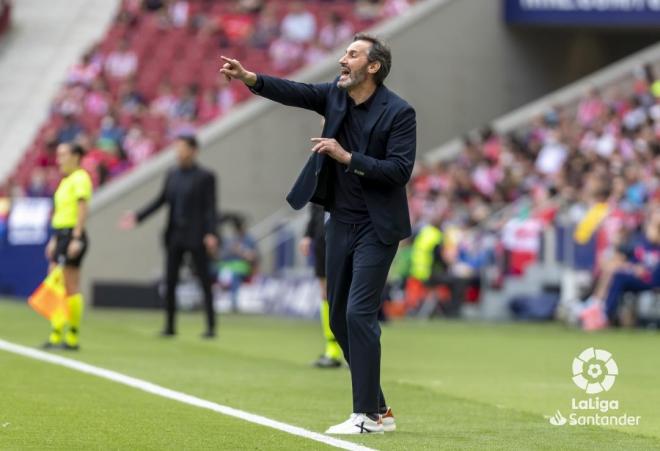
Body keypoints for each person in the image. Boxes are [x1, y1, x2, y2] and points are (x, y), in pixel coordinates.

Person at [220, 33, 416, 434]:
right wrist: (250, 78)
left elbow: (400, 170)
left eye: (353, 54)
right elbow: (296, 92)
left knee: (359, 314)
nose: (343, 59)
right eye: (345, 52)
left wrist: (347, 157)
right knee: (340, 322)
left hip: (377, 227)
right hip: (339, 222)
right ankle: (379, 408)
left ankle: (365, 417)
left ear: (373, 67)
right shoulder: (335, 95)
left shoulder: (399, 112)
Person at [119, 135, 219, 338]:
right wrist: (138, 216)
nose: (178, 152)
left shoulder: (206, 177)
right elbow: (161, 201)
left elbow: (210, 208)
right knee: (171, 280)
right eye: (177, 148)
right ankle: (170, 326)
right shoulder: (172, 174)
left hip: (197, 235)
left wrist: (211, 233)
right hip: (174, 235)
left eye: (182, 148)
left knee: (204, 281)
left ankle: (210, 327)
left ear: (193, 150)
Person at [43, 142, 93, 350]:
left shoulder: (81, 178)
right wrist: (54, 238)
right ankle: (56, 333)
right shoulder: (66, 181)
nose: (59, 160)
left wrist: (77, 237)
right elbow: (61, 213)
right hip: (61, 234)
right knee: (56, 283)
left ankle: (71, 336)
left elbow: (82, 208)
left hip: (72, 234)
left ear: (75, 156)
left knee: (70, 284)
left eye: (63, 155)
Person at [299, 204, 342, 368]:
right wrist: (307, 235)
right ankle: (332, 349)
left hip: (346, 236)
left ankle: (352, 350)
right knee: (325, 294)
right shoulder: (319, 178)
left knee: (346, 294)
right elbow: (315, 205)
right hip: (322, 240)